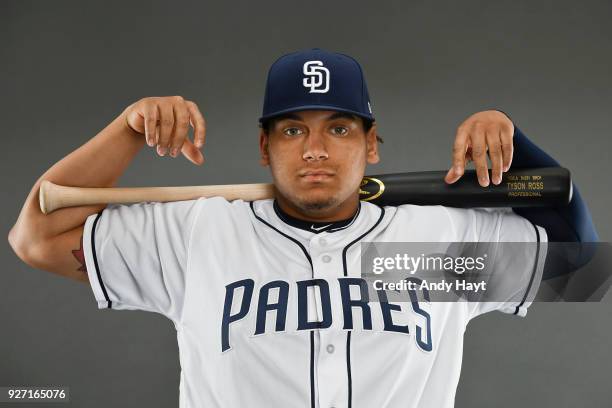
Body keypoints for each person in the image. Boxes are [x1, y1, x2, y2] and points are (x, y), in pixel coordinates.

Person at [8, 48, 597, 407]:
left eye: (339, 128)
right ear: (264, 148)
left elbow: (580, 269)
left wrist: (517, 145)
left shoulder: (431, 246)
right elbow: (36, 237)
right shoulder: (200, 235)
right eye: (293, 130)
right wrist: (128, 131)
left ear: (372, 144)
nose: (315, 148)